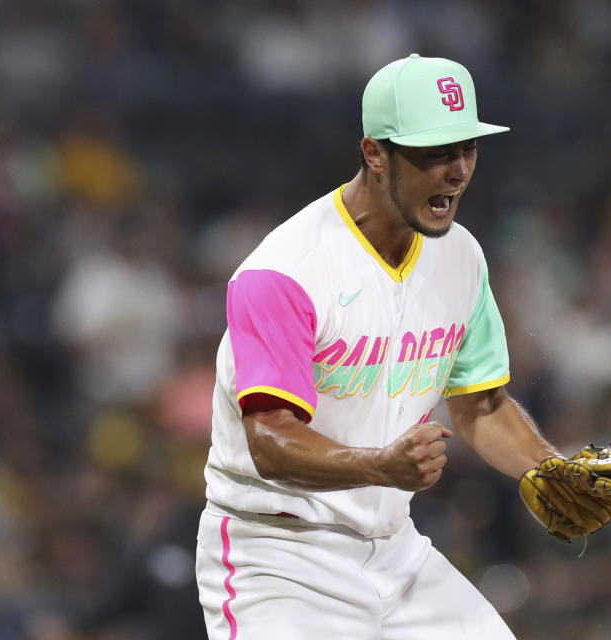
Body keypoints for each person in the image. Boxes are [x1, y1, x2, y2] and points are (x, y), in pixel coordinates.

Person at [195, 53, 565, 639]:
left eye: (466, 148)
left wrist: (550, 471)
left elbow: (481, 406)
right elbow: (269, 439)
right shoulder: (287, 271)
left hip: (395, 550)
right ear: (374, 152)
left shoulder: (460, 256)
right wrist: (379, 465)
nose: (457, 170)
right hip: (277, 555)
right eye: (433, 154)